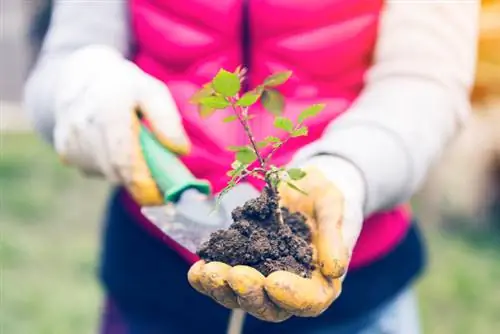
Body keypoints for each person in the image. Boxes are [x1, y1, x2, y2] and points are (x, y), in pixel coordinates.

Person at [24, 0, 479, 333]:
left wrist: (346, 168)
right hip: (153, 276)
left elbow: (425, 82)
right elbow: (62, 62)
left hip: (354, 283)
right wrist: (83, 87)